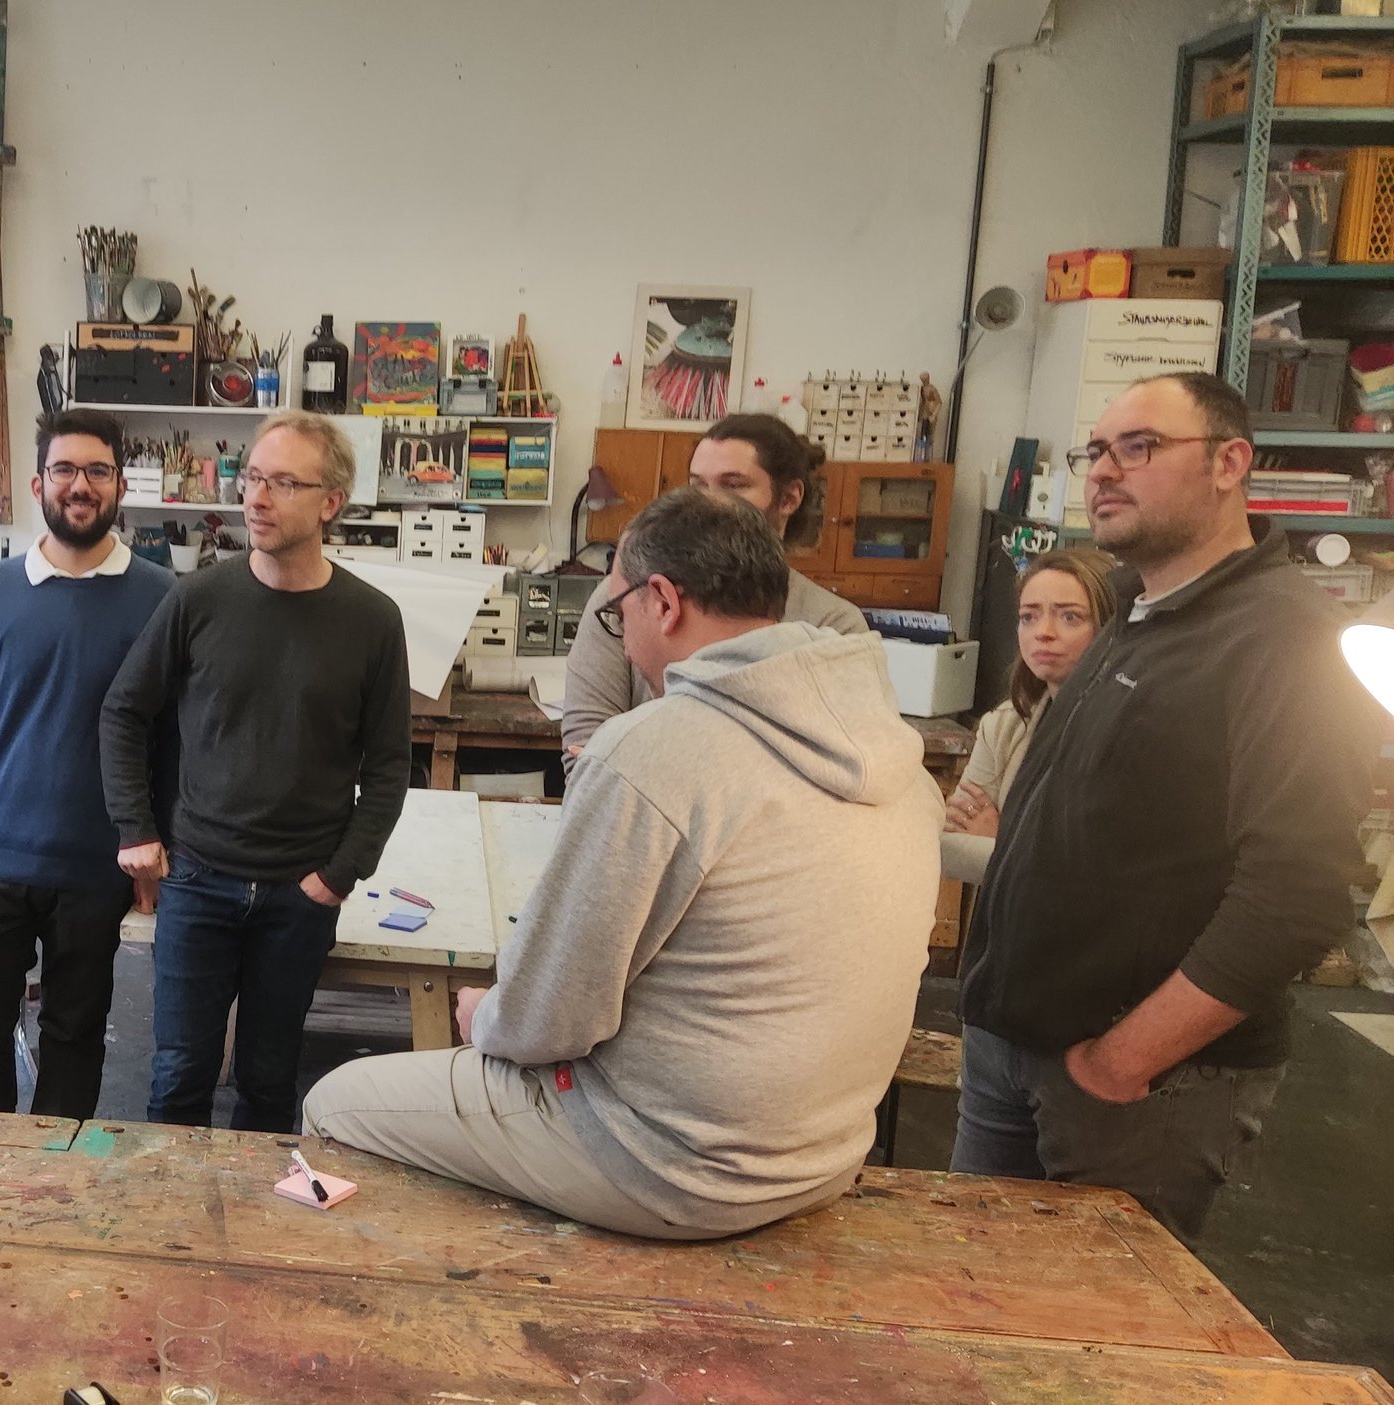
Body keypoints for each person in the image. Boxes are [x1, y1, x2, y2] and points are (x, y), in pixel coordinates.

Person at [303, 488, 938, 1238]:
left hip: (670, 1164)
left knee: (335, 1104)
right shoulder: (891, 751)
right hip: (823, 1152)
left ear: (662, 601)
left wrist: (484, 1016)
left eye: (616, 615)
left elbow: (551, 1018)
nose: (621, 639)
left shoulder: (656, 752)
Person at [954, 372, 1380, 1236]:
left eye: (1139, 447)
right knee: (973, 1316)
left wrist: (1123, 1058)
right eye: (1096, 451)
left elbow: (1298, 891)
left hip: (1135, 1084)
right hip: (1015, 1045)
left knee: (1086, 1345)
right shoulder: (1136, 609)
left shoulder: (1280, 635)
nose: (1105, 470)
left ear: (1230, 462)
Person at [100, 410, 410, 1133]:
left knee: (270, 1085)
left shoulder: (372, 621)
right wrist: (135, 827)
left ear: (331, 501)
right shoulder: (200, 598)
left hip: (298, 895)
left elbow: (391, 764)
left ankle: (249, 1238)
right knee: (179, 1077)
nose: (256, 498)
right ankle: (170, 1237)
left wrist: (337, 875)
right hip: (198, 882)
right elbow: (124, 711)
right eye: (252, 478)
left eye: (282, 483)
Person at [0, 408, 174, 1119]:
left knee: (75, 1035)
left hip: (98, 865)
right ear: (39, 482)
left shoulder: (161, 599)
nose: (80, 485)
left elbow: (175, 735)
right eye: (64, 469)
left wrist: (157, 847)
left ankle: (51, 1178)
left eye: (97, 470)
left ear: (121, 485)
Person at [561, 414, 867, 766]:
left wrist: (634, 767)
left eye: (733, 485)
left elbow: (833, 770)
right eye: (698, 485)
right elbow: (584, 759)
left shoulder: (835, 626)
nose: (708, 501)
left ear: (788, 499)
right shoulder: (626, 597)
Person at [939, 547, 1118, 884]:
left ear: (1108, 626)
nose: (1043, 632)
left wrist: (1001, 838)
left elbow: (1095, 878)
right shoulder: (1005, 725)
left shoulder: (1127, 729)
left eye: (1070, 617)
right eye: (1029, 616)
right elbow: (951, 850)